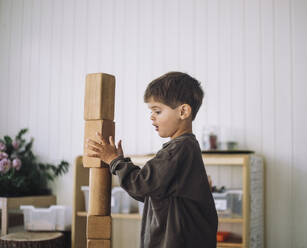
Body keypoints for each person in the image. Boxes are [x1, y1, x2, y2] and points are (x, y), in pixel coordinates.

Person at [86, 71, 218, 248]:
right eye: (151, 111)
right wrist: (118, 162)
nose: (152, 117)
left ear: (183, 111)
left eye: (158, 111)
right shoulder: (183, 148)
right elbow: (147, 191)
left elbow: (142, 183)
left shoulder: (180, 149)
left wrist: (115, 161)